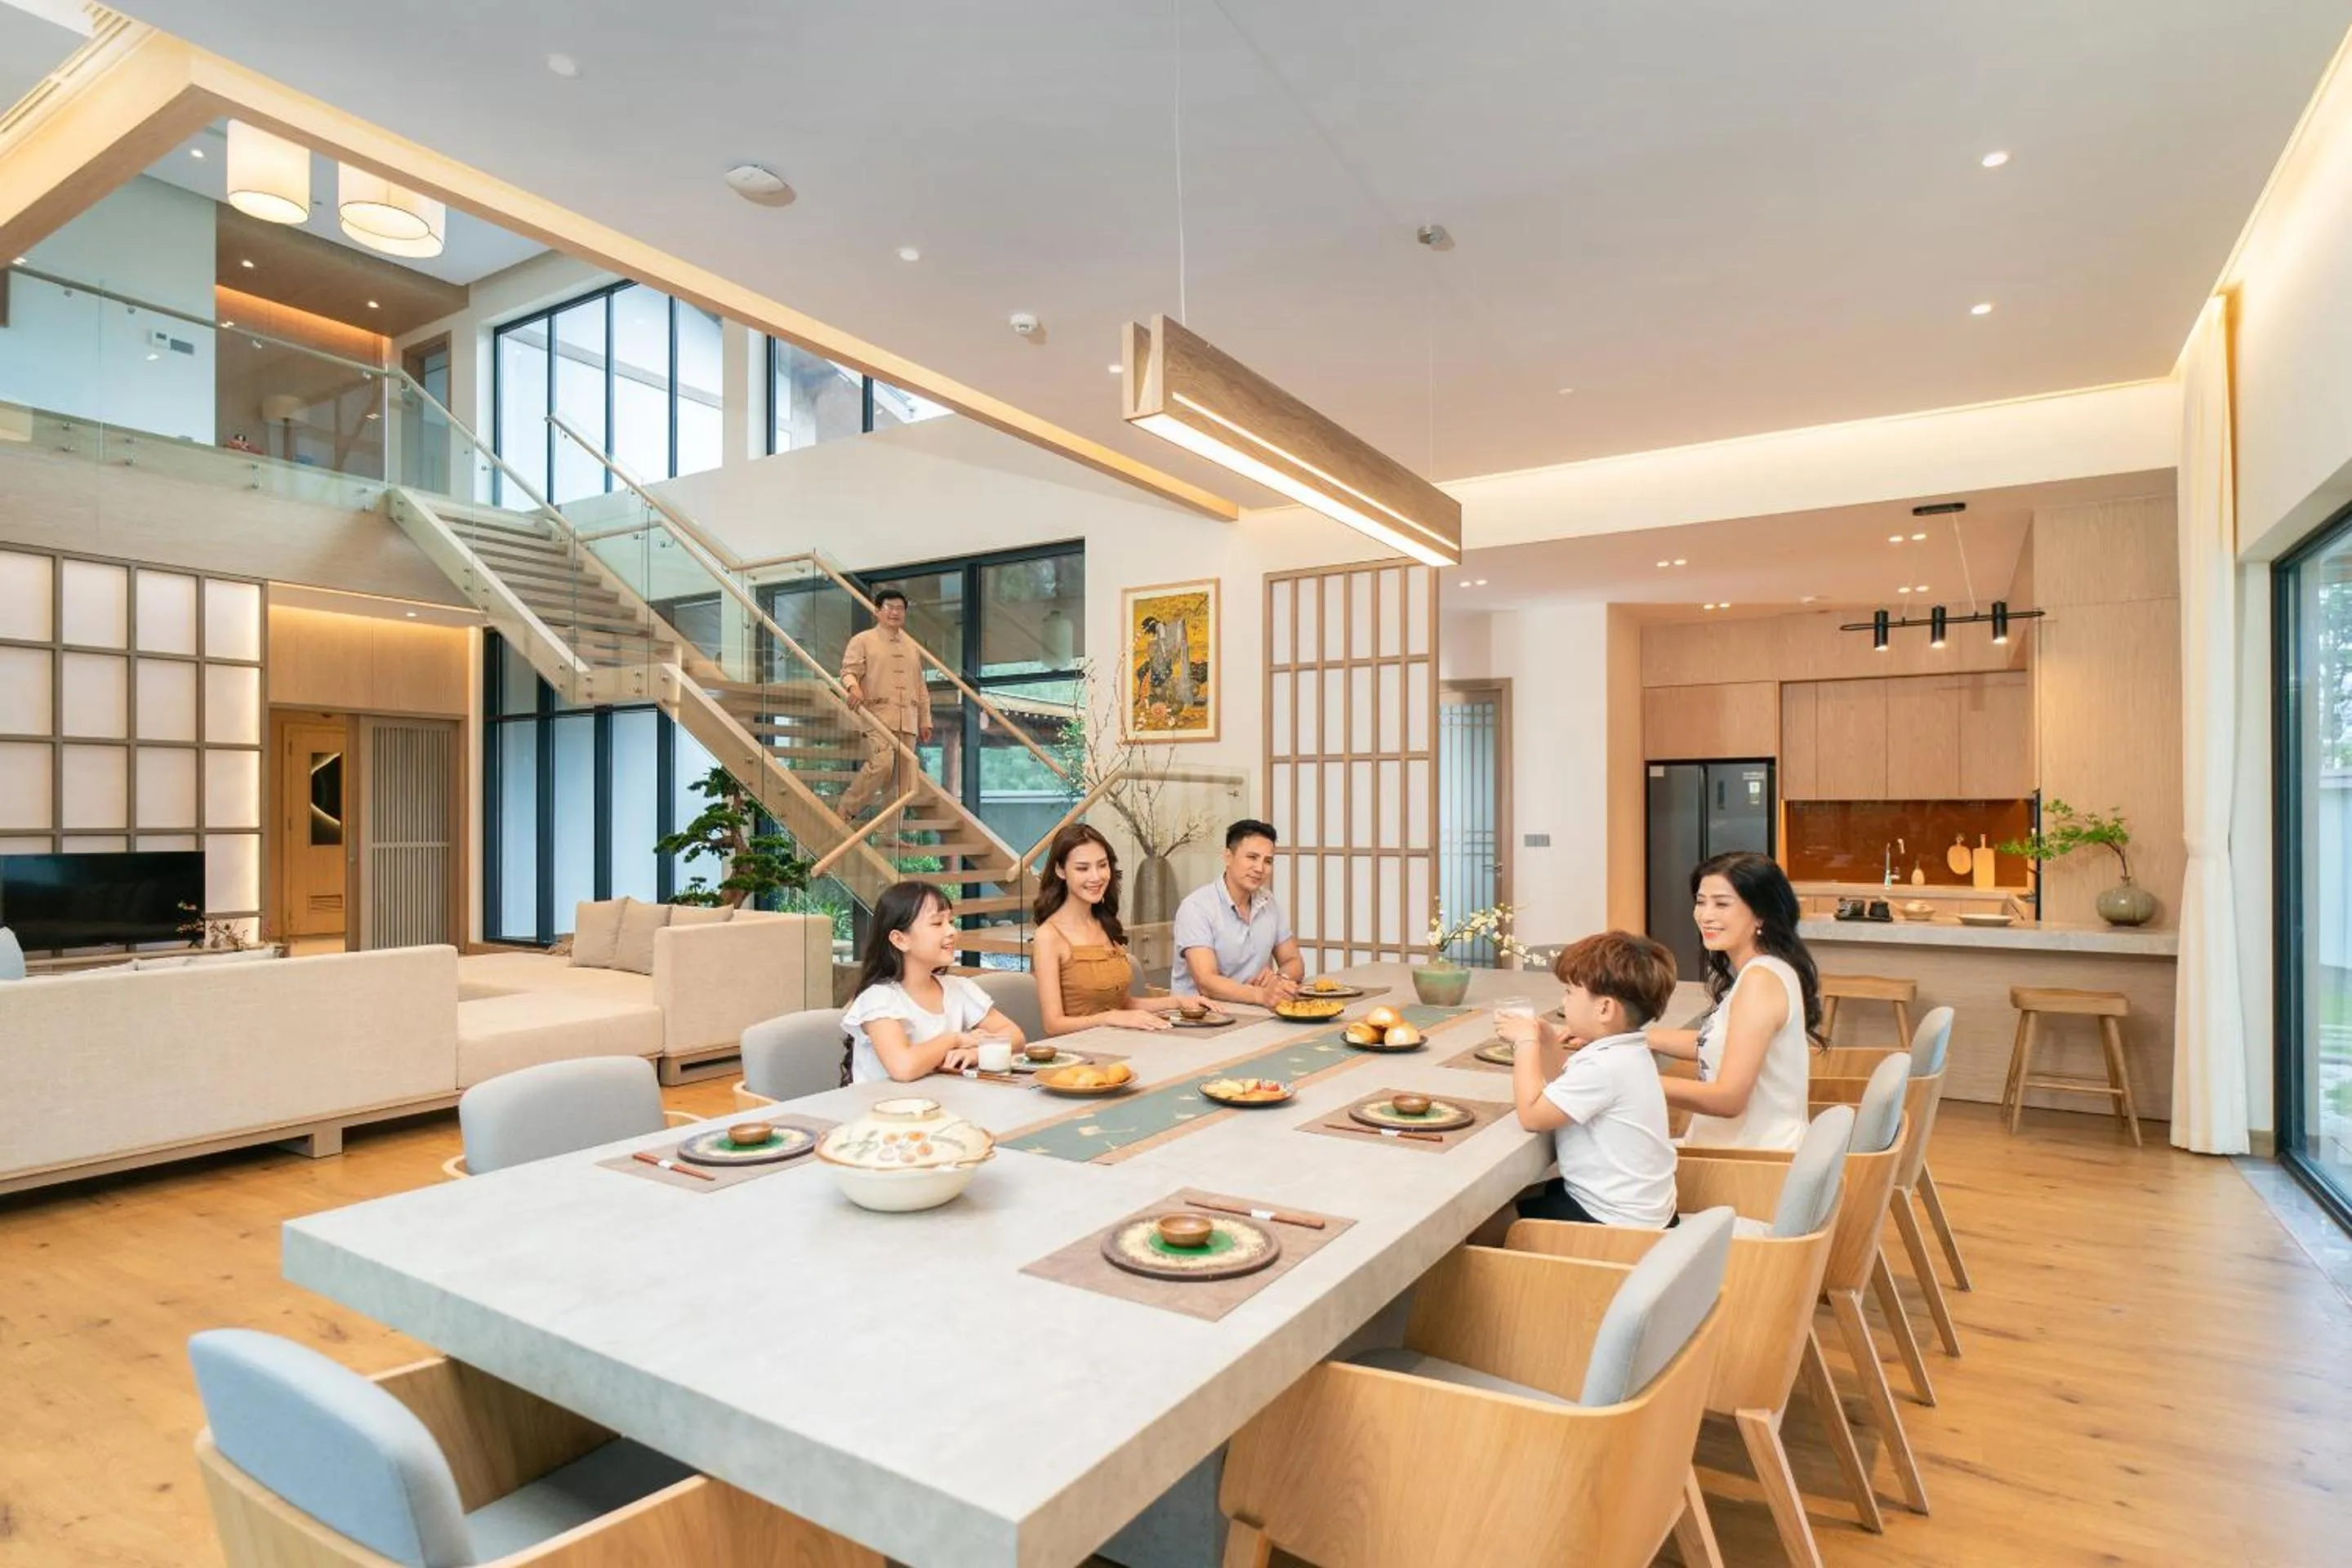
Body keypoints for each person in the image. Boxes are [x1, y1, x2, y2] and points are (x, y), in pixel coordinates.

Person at [1498, 930, 1681, 1228]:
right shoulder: (1627, 1051)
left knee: (1492, 1218)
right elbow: (1567, 1089)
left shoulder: (1604, 1066)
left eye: (1570, 992)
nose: (1563, 1000)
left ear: (1605, 1008)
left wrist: (1525, 1043)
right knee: (1526, 1195)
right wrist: (1547, 1044)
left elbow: (1532, 1114)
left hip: (1614, 1223)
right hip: (1643, 1210)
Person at [1646, 851, 1820, 1151]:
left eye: (1722, 904)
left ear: (1760, 914)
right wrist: (1635, 1038)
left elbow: (1728, 1099)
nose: (1705, 915)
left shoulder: (1760, 981)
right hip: (1744, 1156)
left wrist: (1623, 1083)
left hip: (1748, 1169)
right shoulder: (1767, 969)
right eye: (1701, 902)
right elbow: (1721, 1043)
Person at [839, 881, 1027, 1083]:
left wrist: (975, 1054)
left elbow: (1016, 1038)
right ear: (900, 940)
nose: (952, 932)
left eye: (951, 922)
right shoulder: (879, 999)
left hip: (939, 1104)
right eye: (937, 924)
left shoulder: (958, 988)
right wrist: (954, 1039)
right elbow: (903, 1067)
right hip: (883, 1110)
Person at [1029, 824, 1187, 1035]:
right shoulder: (1049, 936)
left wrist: (1180, 1002)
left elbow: (1124, 1004)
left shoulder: (1104, 924)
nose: (1096, 877)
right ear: (1060, 870)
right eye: (1083, 868)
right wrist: (1110, 1018)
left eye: (1102, 865)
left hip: (1119, 1042)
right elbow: (1054, 1025)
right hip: (1080, 1056)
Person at [1169, 819, 1305, 1007]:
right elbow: (1207, 982)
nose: (1260, 868)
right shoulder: (1196, 907)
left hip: (1254, 1014)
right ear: (1228, 857)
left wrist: (1279, 978)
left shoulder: (1268, 902)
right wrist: (1261, 995)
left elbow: (1294, 961)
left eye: (1268, 861)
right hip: (1201, 1019)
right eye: (1252, 857)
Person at [837, 588, 933, 822]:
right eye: (889, 607)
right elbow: (848, 671)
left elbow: (920, 686)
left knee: (900, 781)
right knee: (882, 763)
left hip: (908, 720)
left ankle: (889, 835)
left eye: (900, 608)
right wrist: (854, 688)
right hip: (877, 716)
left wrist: (925, 720)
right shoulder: (863, 640)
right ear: (877, 611)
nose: (895, 612)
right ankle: (846, 810)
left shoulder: (912, 647)